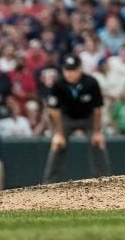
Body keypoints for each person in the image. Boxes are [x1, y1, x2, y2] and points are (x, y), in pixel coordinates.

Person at [44, 55, 109, 183]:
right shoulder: (59, 85)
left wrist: (96, 132)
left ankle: (104, 180)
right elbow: (54, 111)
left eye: (73, 70)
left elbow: (97, 109)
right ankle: (49, 183)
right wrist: (58, 133)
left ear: (80, 70)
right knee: (57, 144)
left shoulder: (90, 82)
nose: (70, 74)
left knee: (98, 142)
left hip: (88, 117)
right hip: (67, 118)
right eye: (67, 70)